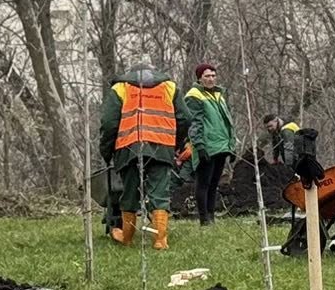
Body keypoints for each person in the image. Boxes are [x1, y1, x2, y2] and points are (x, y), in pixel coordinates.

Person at [98, 64, 189, 250]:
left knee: (129, 192)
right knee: (160, 192)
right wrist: (176, 142)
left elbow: (108, 123)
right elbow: (185, 118)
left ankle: (127, 238)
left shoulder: (121, 88)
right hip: (162, 145)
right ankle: (160, 241)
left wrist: (106, 151)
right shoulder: (169, 87)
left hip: (128, 146)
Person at [182, 63, 237, 227]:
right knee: (203, 183)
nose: (211, 79)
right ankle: (204, 219)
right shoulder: (194, 96)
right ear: (199, 78)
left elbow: (227, 122)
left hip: (221, 145)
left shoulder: (218, 95)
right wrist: (199, 145)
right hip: (206, 146)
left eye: (213, 75)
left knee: (214, 183)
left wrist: (231, 145)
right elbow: (194, 123)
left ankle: (212, 216)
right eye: (207, 76)